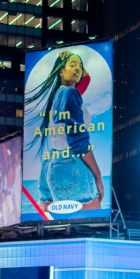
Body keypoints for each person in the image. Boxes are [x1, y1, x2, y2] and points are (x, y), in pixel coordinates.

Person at [25, 50, 105, 213]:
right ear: (61, 70)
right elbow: (78, 141)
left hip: (52, 163)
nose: (78, 69)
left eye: (80, 66)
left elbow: (86, 79)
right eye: (72, 65)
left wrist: (73, 58)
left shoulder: (60, 94)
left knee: (51, 229)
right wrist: (98, 175)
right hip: (72, 164)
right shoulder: (69, 94)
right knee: (89, 227)